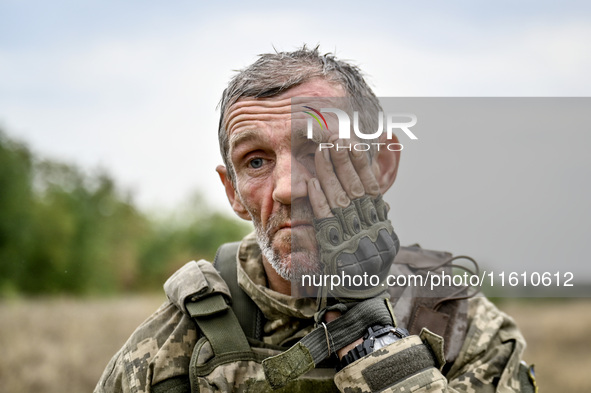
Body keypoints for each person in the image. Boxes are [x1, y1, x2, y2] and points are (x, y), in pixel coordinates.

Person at [95, 46, 536, 393]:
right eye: (255, 162)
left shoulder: (462, 328)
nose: (287, 188)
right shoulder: (169, 349)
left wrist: (369, 332)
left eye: (316, 150)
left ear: (381, 166)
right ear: (232, 193)